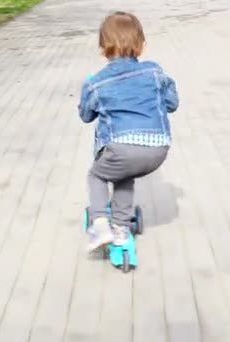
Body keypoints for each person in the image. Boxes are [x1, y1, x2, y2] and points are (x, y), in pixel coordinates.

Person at [78, 11, 179, 253]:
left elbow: (86, 116)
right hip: (158, 149)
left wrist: (87, 91)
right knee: (123, 175)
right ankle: (122, 230)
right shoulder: (155, 73)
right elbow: (172, 104)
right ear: (141, 46)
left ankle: (101, 223)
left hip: (121, 147)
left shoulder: (96, 83)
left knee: (97, 176)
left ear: (103, 48)